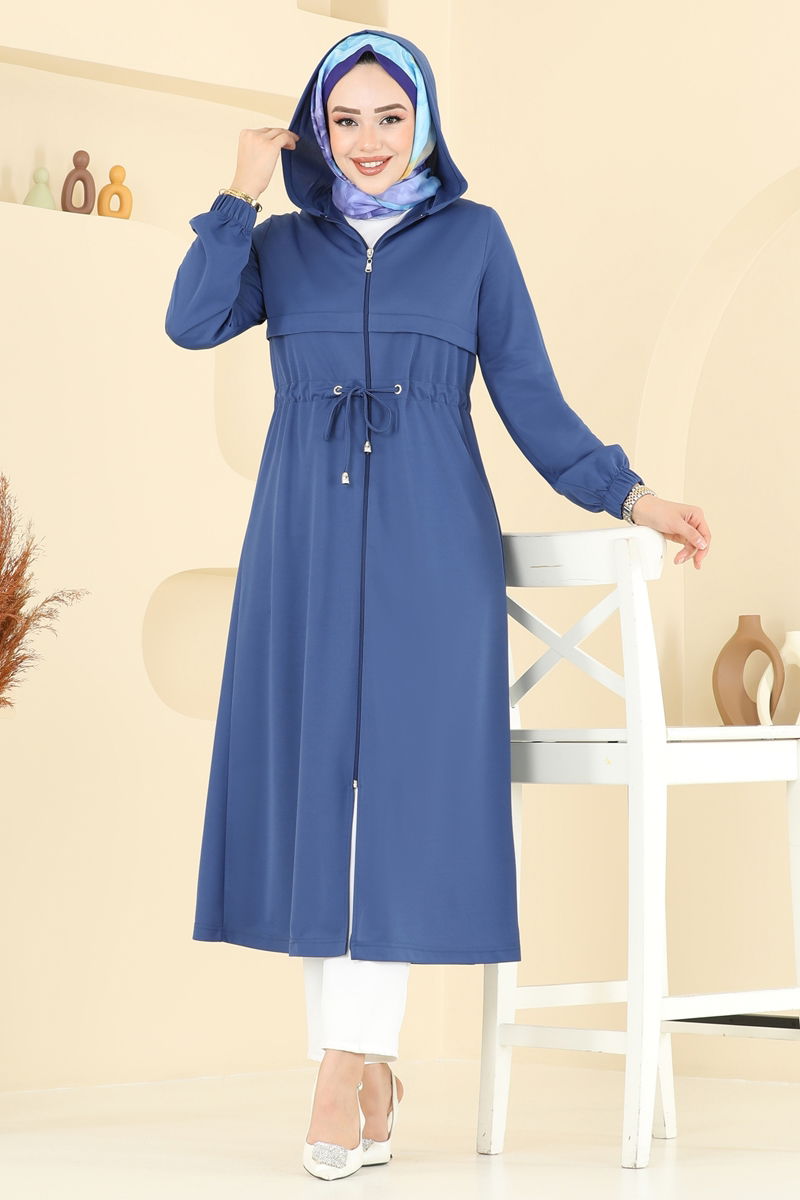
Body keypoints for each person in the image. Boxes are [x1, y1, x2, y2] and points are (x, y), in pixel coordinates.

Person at [165, 28, 711, 1181]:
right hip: (302, 546)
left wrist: (629, 494)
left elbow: (528, 396)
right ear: (315, 130)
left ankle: (335, 1072)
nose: (367, 141)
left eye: (389, 116)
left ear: (422, 122)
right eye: (344, 120)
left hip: (428, 550)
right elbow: (192, 321)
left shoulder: (473, 239)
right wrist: (235, 194)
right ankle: (363, 1062)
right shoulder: (279, 245)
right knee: (324, 806)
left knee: (399, 806)